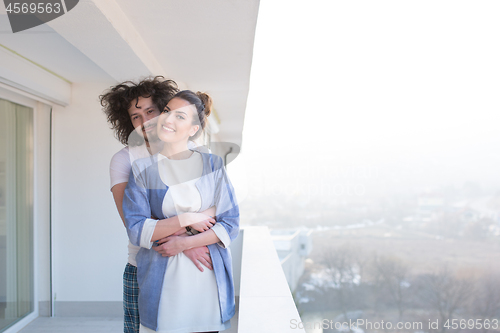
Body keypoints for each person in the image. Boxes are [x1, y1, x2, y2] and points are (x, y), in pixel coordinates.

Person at [100, 77, 215, 333]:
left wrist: (188, 243)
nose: (144, 122)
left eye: (150, 111)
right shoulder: (124, 159)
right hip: (145, 266)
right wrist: (186, 241)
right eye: (135, 116)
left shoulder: (199, 153)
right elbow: (133, 223)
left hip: (193, 266)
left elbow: (218, 207)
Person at [123, 90, 239, 333]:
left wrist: (184, 243)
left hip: (206, 279)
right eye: (166, 111)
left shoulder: (213, 165)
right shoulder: (142, 169)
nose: (168, 119)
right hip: (162, 279)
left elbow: (230, 222)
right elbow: (136, 228)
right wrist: (187, 219)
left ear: (193, 129)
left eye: (180, 116)